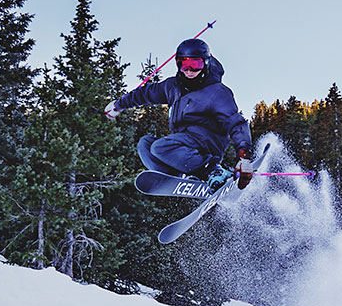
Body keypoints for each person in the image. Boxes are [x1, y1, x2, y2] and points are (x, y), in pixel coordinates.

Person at [104, 38, 252, 191]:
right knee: (145, 145)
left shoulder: (216, 91)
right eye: (183, 64)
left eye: (195, 65)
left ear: (206, 63)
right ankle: (177, 176)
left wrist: (244, 156)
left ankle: (212, 170)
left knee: (160, 147)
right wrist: (118, 105)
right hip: (183, 144)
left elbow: (236, 122)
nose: (189, 70)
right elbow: (145, 93)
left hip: (207, 143)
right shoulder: (173, 86)